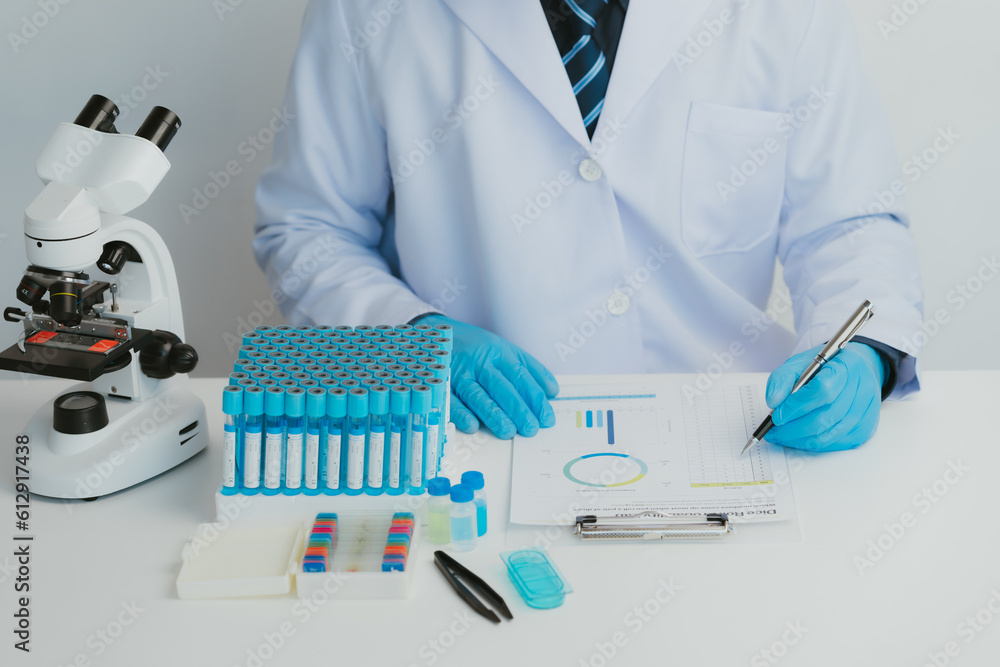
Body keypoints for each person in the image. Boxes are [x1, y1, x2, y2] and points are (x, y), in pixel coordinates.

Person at [254, 0, 924, 452]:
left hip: (731, 436)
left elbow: (848, 221)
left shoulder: (785, 11)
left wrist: (864, 353)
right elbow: (308, 229)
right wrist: (409, 338)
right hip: (479, 440)